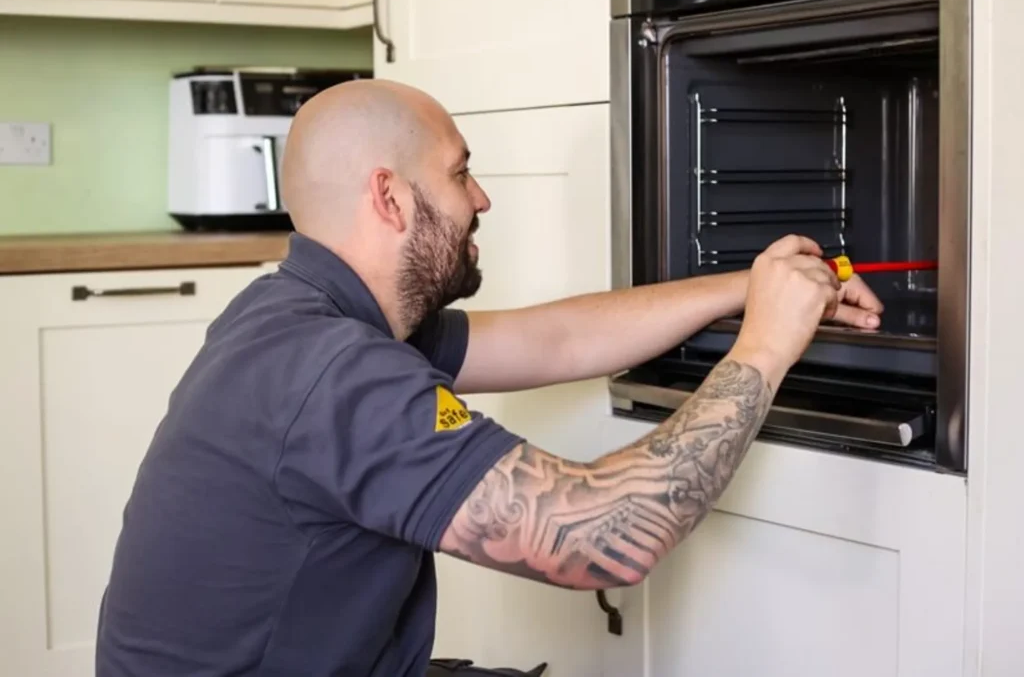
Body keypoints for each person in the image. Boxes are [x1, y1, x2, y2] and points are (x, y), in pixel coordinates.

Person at [94, 78, 884, 677]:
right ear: (390, 197)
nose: (481, 198)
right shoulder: (337, 373)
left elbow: (556, 337)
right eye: (459, 172)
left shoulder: (297, 313)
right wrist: (766, 347)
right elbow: (602, 540)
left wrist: (756, 285)